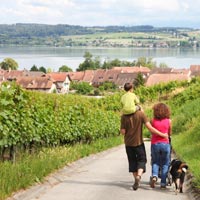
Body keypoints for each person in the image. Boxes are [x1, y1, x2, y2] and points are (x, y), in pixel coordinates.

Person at [120, 110, 168, 191]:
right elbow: (150, 128)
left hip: (128, 143)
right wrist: (162, 135)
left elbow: (123, 132)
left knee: (132, 161)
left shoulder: (123, 116)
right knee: (142, 160)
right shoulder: (140, 114)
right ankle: (139, 176)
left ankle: (136, 179)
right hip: (138, 142)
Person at [150, 103, 171, 189]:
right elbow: (169, 133)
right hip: (165, 144)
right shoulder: (169, 121)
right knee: (165, 164)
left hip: (155, 143)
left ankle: (154, 176)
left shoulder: (152, 121)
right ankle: (163, 183)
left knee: (155, 162)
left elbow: (152, 132)